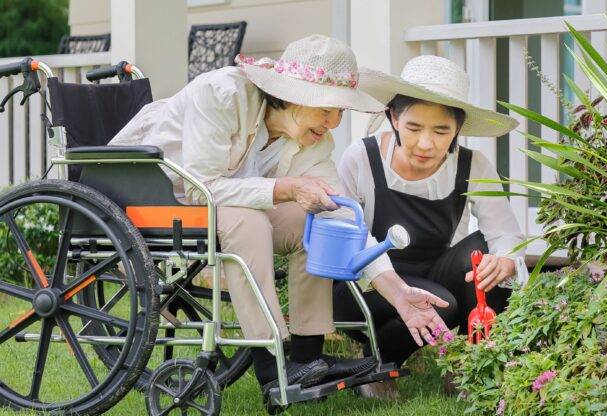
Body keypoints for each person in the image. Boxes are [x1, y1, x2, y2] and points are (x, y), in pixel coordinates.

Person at [109, 35, 450, 393]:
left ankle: (308, 357)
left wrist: (398, 293)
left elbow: (345, 216)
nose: (333, 122)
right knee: (249, 219)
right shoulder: (221, 94)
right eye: (326, 109)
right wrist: (285, 189)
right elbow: (200, 187)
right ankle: (271, 364)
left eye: (340, 112)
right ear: (292, 96)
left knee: (318, 219)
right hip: (155, 196)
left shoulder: (312, 141)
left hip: (221, 206)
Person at [333, 55, 527, 397]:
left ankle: (472, 367)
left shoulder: (473, 165)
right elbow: (345, 237)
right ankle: (379, 364)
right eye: (413, 128)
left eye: (441, 131)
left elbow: (504, 233)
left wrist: (506, 261)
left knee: (485, 255)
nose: (426, 143)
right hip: (365, 285)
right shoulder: (361, 158)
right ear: (393, 117)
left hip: (434, 273)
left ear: (458, 128)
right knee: (442, 303)